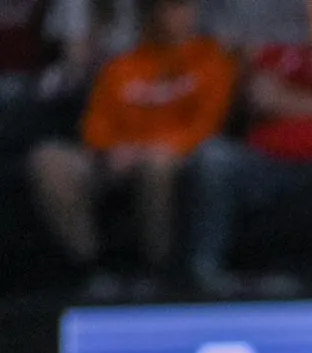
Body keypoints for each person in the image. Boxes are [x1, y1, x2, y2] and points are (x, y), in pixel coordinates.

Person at [27, 0, 234, 291]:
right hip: (117, 158)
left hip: (176, 158)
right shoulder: (123, 66)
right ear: (152, 15)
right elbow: (95, 126)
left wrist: (147, 149)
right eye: (170, 8)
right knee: (48, 159)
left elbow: (207, 127)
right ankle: (91, 268)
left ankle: (157, 270)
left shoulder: (212, 60)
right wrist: (111, 150)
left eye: (184, 7)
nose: (179, 15)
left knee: (157, 164)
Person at [187, 18, 312, 292]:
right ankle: (204, 282)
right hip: (265, 164)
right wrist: (245, 69)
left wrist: (290, 99)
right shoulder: (271, 51)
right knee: (213, 156)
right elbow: (256, 99)